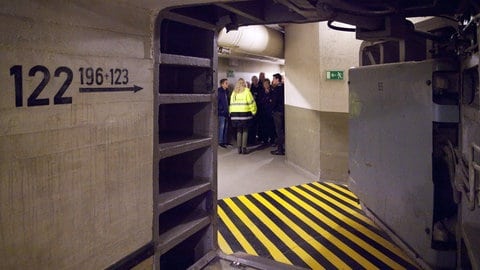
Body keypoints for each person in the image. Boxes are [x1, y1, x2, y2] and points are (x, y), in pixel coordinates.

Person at [229, 78, 257, 154]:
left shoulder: (234, 92)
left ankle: (239, 148)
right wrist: (254, 111)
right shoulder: (247, 91)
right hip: (244, 114)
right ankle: (244, 148)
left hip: (235, 114)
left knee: (238, 130)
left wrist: (231, 113)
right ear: (244, 83)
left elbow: (231, 103)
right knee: (245, 130)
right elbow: (251, 102)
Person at [270, 73, 285, 155]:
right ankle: (281, 148)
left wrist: (271, 107)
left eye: (274, 79)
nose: (272, 81)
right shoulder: (283, 87)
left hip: (277, 112)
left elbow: (274, 101)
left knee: (279, 131)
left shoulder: (276, 89)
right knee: (281, 131)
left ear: (277, 79)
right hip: (282, 111)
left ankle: (280, 150)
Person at [258, 79, 276, 145]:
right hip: (263, 112)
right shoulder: (261, 91)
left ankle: (272, 140)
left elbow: (273, 101)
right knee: (264, 126)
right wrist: (267, 99)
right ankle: (265, 140)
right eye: (264, 84)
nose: (265, 85)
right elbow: (260, 101)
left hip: (270, 112)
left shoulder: (272, 91)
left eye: (266, 84)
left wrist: (267, 99)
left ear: (269, 84)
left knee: (271, 126)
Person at [248, 75, 263, 145]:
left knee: (259, 125)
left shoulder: (260, 87)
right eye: (253, 80)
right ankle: (252, 140)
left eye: (256, 80)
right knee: (252, 126)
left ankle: (260, 138)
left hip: (260, 109)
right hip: (252, 110)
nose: (255, 81)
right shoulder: (251, 88)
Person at [217, 78, 229, 148]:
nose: (227, 84)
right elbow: (217, 102)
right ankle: (220, 142)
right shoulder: (219, 91)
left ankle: (225, 141)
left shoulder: (226, 91)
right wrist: (221, 110)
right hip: (222, 113)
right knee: (222, 127)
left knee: (226, 127)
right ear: (222, 84)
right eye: (226, 83)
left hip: (226, 112)